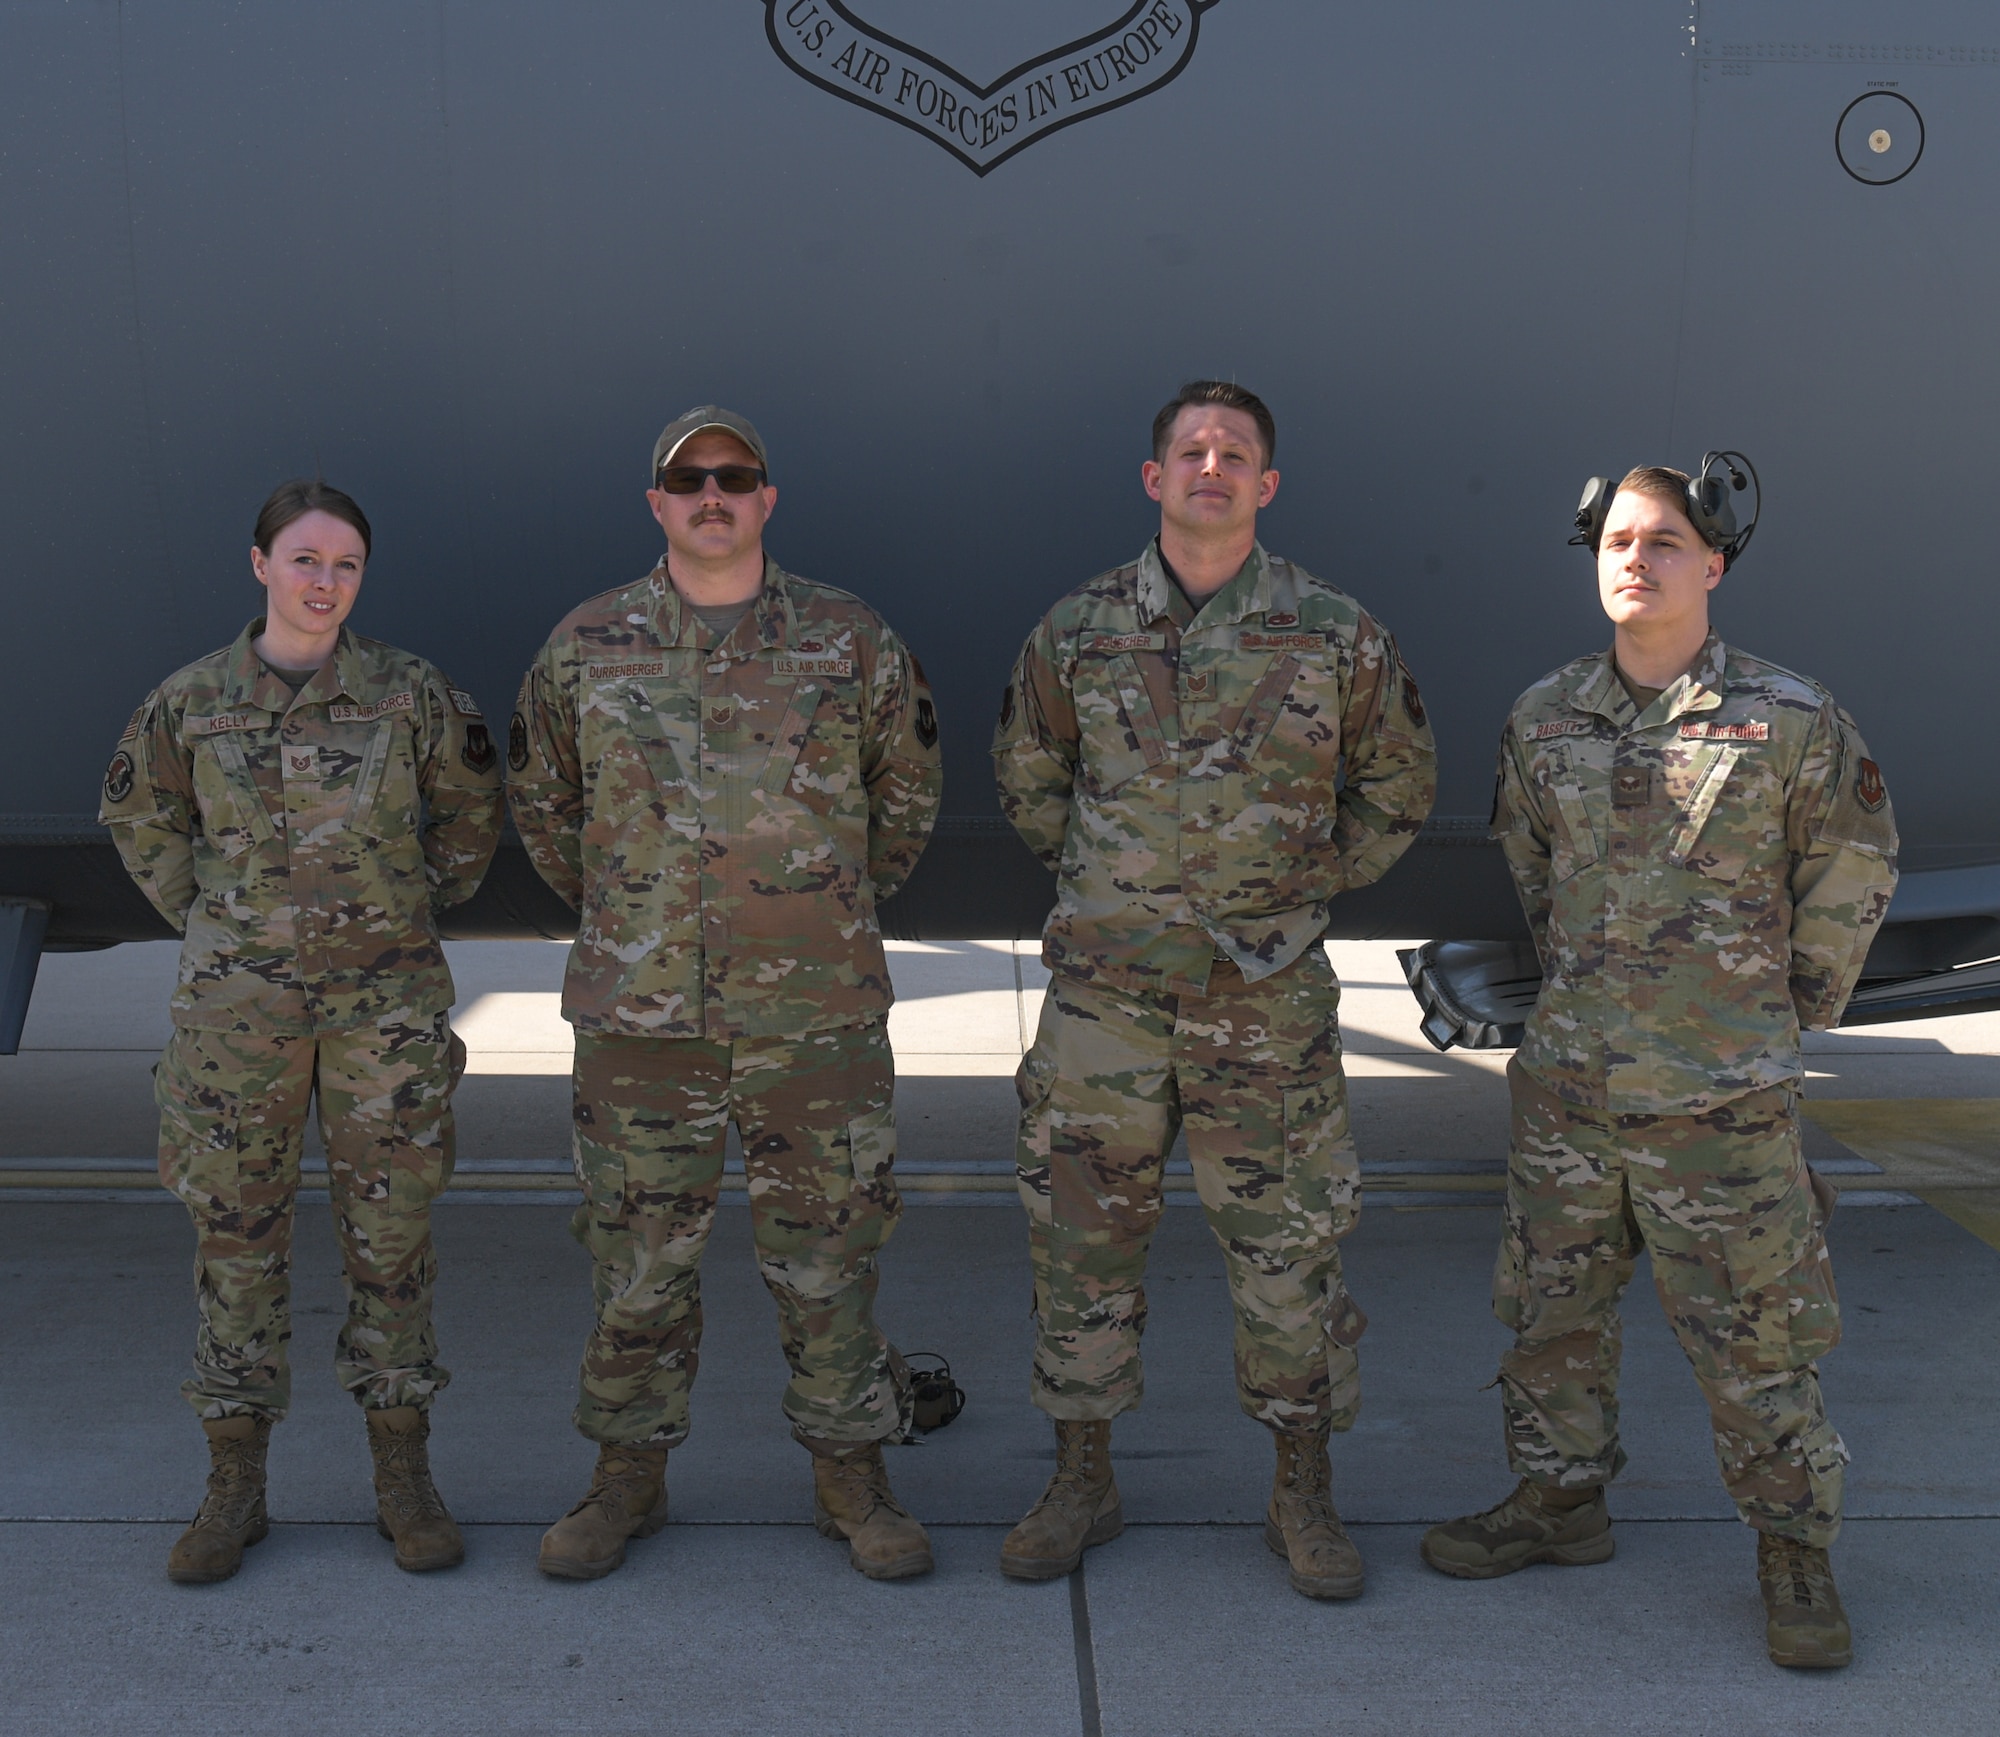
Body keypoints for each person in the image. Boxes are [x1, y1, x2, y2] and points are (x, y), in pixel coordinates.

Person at [1420, 467, 1897, 1671]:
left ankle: (1793, 1553)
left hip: (1719, 1101)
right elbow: (1534, 876)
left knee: (1755, 1340)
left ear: (1712, 566)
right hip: (1571, 1093)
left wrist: (1764, 1013)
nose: (1635, 559)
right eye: (1617, 541)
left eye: (1665, 541)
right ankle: (1557, 1501)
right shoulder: (1543, 720)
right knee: (1548, 1319)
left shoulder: (1786, 716)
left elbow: (1850, 869)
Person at [991, 380, 1437, 1598]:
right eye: (1188, 450)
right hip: (1106, 1004)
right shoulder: (1077, 632)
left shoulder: (1334, 633)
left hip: (1264, 999)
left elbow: (1397, 784)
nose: (1208, 467)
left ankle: (1302, 1496)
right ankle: (1081, 1477)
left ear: (1264, 485)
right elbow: (1031, 779)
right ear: (1153, 479)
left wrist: (1296, 887)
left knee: (1288, 1252)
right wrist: (1114, 889)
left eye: (1233, 453)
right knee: (1079, 1244)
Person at [509, 405, 943, 1582]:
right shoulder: (588, 645)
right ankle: (625, 1482)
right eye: (686, 478)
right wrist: (637, 920)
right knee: (636, 1262)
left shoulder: (848, 641)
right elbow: (548, 813)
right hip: (641, 1024)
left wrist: (815, 917)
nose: (712, 493)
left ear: (765, 498)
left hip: (815, 1022)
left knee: (831, 1258)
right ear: (657, 503)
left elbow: (899, 802)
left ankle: (853, 1481)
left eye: (734, 477)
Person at [99, 479, 503, 1583]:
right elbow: (140, 817)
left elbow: (469, 821)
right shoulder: (192, 702)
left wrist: (403, 905)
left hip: (385, 1012)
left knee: (393, 1244)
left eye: (346, 566)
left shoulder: (408, 695)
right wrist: (221, 922)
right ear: (260, 565)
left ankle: (402, 1472)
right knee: (235, 1246)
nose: (325, 583)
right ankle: (233, 1484)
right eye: (306, 560)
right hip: (239, 1021)